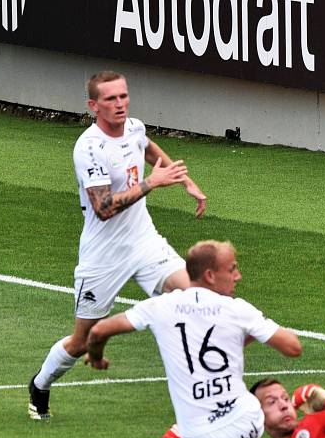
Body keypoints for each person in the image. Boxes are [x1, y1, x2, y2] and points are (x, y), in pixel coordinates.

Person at [85, 240, 304, 438]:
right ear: (211, 276)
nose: (237, 276)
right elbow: (293, 347)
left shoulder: (161, 306)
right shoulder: (238, 309)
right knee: (231, 420)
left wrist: (97, 357)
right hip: (251, 420)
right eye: (232, 269)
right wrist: (243, 334)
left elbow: (99, 330)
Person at [28, 70, 208, 420]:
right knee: (83, 340)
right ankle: (40, 385)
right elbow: (103, 208)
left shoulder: (135, 128)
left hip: (144, 242)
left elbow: (148, 146)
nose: (120, 104)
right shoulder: (89, 148)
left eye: (123, 96)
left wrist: (184, 180)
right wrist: (152, 183)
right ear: (93, 105)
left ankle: (201, 399)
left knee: (196, 300)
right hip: (103, 256)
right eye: (111, 99)